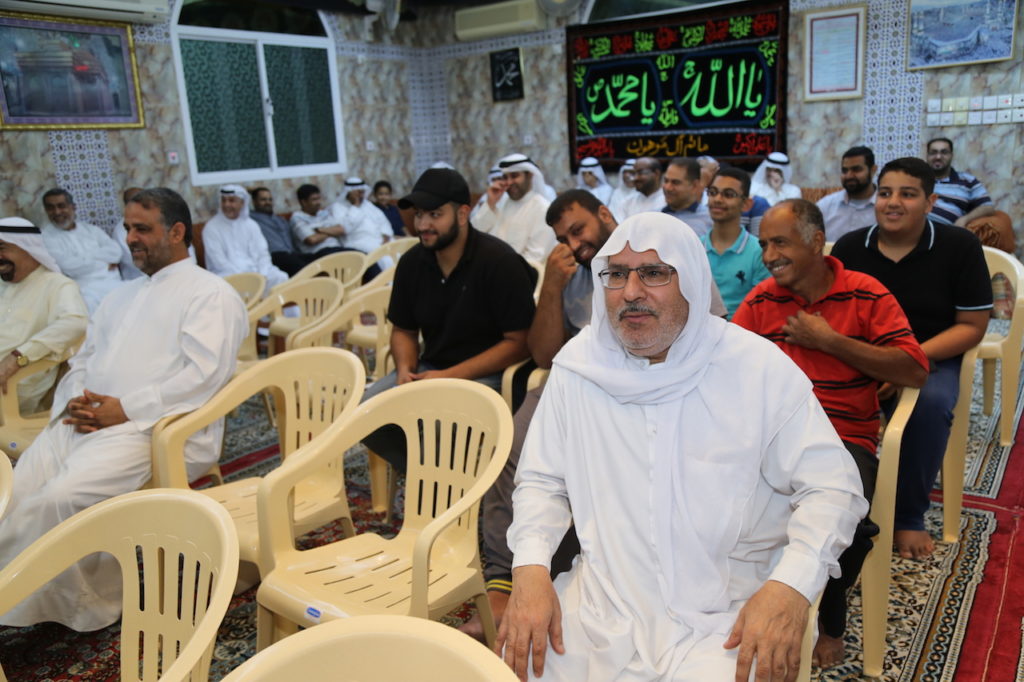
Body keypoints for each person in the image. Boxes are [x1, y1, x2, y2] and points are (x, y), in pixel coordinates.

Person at [498, 212, 866, 682]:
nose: (631, 292)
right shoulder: (578, 368)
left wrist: (789, 587)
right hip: (602, 605)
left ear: (690, 280)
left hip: (730, 613)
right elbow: (542, 481)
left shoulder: (756, 369)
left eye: (653, 273)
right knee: (516, 665)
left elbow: (834, 490)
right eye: (616, 274)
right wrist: (530, 570)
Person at [465, 189, 727, 641]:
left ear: (605, 213)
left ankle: (589, 567)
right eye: (562, 238)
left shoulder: (663, 252)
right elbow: (545, 354)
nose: (574, 244)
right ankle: (505, 580)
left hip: (669, 377)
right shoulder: (572, 274)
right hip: (578, 378)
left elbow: (710, 331)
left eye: (578, 230)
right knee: (516, 445)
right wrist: (551, 287)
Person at [0, 188, 248, 631]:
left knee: (59, 499)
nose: (130, 238)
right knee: (14, 494)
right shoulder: (119, 295)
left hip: (154, 429)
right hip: (84, 418)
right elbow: (83, 360)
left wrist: (126, 410)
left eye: (142, 229)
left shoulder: (210, 294)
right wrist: (76, 398)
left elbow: (204, 376)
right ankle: (21, 593)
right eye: (128, 227)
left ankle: (86, 603)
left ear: (176, 232)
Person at [733, 199, 929, 669]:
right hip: (769, 440)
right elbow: (723, 372)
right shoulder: (760, 302)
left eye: (780, 243)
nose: (768, 255)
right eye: (764, 244)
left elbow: (915, 369)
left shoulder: (865, 293)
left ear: (817, 242)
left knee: (848, 526)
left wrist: (830, 341)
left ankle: (831, 619)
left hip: (843, 440)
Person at [831, 157, 992, 559]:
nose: (893, 202)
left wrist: (904, 361)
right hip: (862, 354)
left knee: (929, 406)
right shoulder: (851, 247)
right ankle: (833, 501)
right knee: (819, 395)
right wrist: (873, 360)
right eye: (885, 193)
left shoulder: (959, 246)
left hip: (931, 354)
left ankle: (908, 515)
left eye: (907, 194)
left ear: (930, 201)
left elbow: (972, 326)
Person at [359, 168, 536, 472]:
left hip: (494, 375)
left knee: (439, 424)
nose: (422, 225)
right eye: (419, 215)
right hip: (432, 368)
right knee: (367, 413)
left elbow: (519, 343)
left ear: (463, 214)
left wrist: (449, 376)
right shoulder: (413, 263)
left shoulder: (499, 261)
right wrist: (405, 371)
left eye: (435, 215)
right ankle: (430, 478)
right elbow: (403, 329)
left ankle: (442, 484)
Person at [0, 217, 88, 415]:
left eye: (2, 248)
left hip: (14, 387)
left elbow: (76, 323)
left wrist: (17, 358)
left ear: (27, 248)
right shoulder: (3, 284)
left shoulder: (57, 285)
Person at [39, 188, 123, 313]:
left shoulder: (91, 230)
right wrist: (104, 263)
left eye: (61, 206)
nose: (57, 212)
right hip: (85, 290)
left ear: (73, 207)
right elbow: (68, 267)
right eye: (51, 208)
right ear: (46, 211)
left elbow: (116, 252)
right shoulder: (46, 237)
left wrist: (84, 259)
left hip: (116, 284)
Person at [703, 167, 772, 318]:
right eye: (713, 192)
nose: (717, 199)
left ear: (746, 204)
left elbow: (760, 308)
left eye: (728, 194)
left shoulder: (759, 252)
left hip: (742, 329)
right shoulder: (696, 247)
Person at [202, 184, 288, 292]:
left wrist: (262, 273)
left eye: (231, 200)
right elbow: (219, 262)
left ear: (242, 203)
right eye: (224, 200)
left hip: (256, 272)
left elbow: (263, 253)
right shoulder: (211, 227)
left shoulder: (251, 225)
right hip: (228, 274)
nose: (226, 204)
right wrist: (245, 278)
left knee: (280, 277)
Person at [472, 154, 555, 262]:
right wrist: (490, 204)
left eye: (514, 176)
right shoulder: (500, 201)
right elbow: (475, 234)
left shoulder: (542, 209)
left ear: (529, 175)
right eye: (505, 177)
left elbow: (535, 257)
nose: (509, 182)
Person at [924, 137, 995, 227]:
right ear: (927, 156)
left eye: (944, 152)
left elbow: (988, 207)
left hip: (946, 232)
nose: (938, 157)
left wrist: (964, 219)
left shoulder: (967, 180)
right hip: (915, 229)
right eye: (933, 152)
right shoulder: (917, 178)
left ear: (951, 155)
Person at [816, 146, 878, 242]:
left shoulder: (885, 207)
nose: (849, 176)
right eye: (845, 171)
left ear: (873, 170)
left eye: (856, 169)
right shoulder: (825, 206)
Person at [249, 187, 307, 276]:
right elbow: (238, 199)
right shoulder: (251, 218)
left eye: (270, 199)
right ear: (254, 202)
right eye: (263, 200)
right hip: (275, 255)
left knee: (317, 261)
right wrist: (249, 190)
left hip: (292, 253)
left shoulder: (280, 219)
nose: (267, 202)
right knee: (302, 268)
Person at [328, 177, 392, 255]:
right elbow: (345, 228)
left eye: (362, 192)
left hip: (381, 239)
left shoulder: (367, 204)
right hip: (358, 243)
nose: (361, 195)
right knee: (385, 258)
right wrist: (355, 206)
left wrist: (386, 235)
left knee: (400, 252)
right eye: (358, 192)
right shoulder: (338, 207)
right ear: (349, 192)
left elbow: (382, 220)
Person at [290, 184, 350, 260]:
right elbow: (312, 240)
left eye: (319, 199)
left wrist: (320, 230)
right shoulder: (297, 218)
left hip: (337, 249)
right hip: (317, 254)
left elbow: (341, 230)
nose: (318, 202)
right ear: (303, 202)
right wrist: (331, 232)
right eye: (314, 199)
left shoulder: (323, 213)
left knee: (361, 255)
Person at [661, 157, 712, 237]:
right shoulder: (652, 217)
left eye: (675, 182)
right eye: (666, 181)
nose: (668, 188)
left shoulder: (710, 221)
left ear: (694, 185)